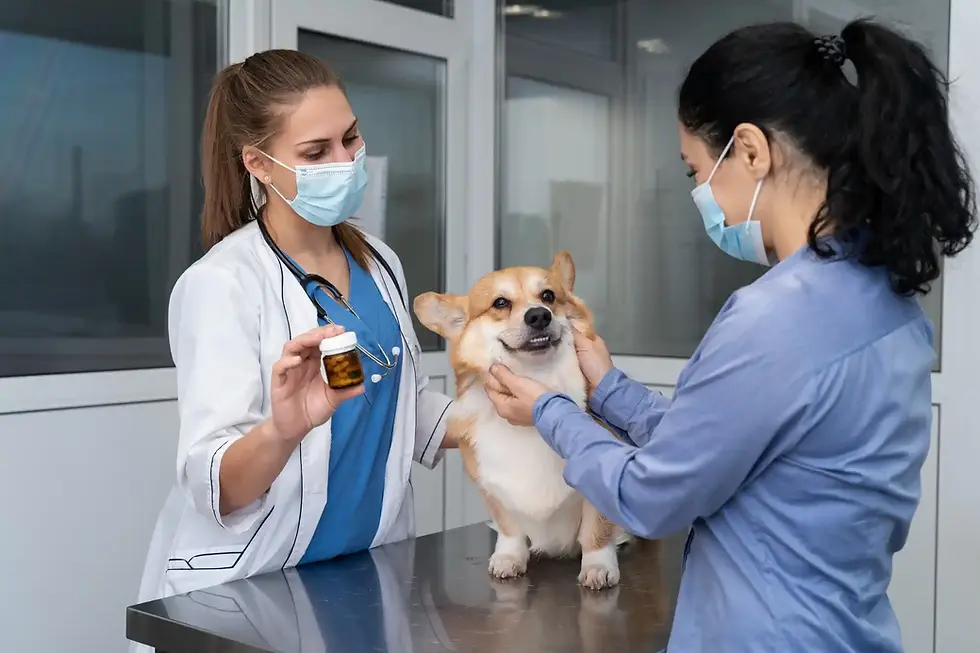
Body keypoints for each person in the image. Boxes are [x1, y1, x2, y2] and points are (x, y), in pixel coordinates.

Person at [484, 19, 975, 653]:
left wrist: (548, 410)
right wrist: (606, 388)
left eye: (695, 170)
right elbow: (725, 456)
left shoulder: (776, 317)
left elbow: (654, 496)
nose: (700, 193)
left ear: (750, 150)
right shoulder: (887, 304)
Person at [134, 50, 456, 613]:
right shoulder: (223, 284)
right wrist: (284, 429)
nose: (345, 160)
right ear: (258, 163)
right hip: (254, 585)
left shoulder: (379, 264)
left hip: (362, 573)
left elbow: (402, 403)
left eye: (350, 139)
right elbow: (216, 487)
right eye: (316, 152)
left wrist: (523, 408)